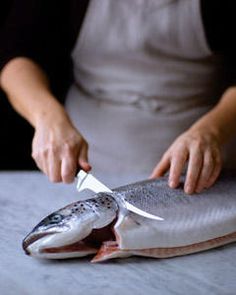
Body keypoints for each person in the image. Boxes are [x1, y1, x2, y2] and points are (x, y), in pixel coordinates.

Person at [0, 0, 236, 194]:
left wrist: (210, 133)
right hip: (79, 174)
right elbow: (19, 58)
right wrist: (47, 118)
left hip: (198, 179)